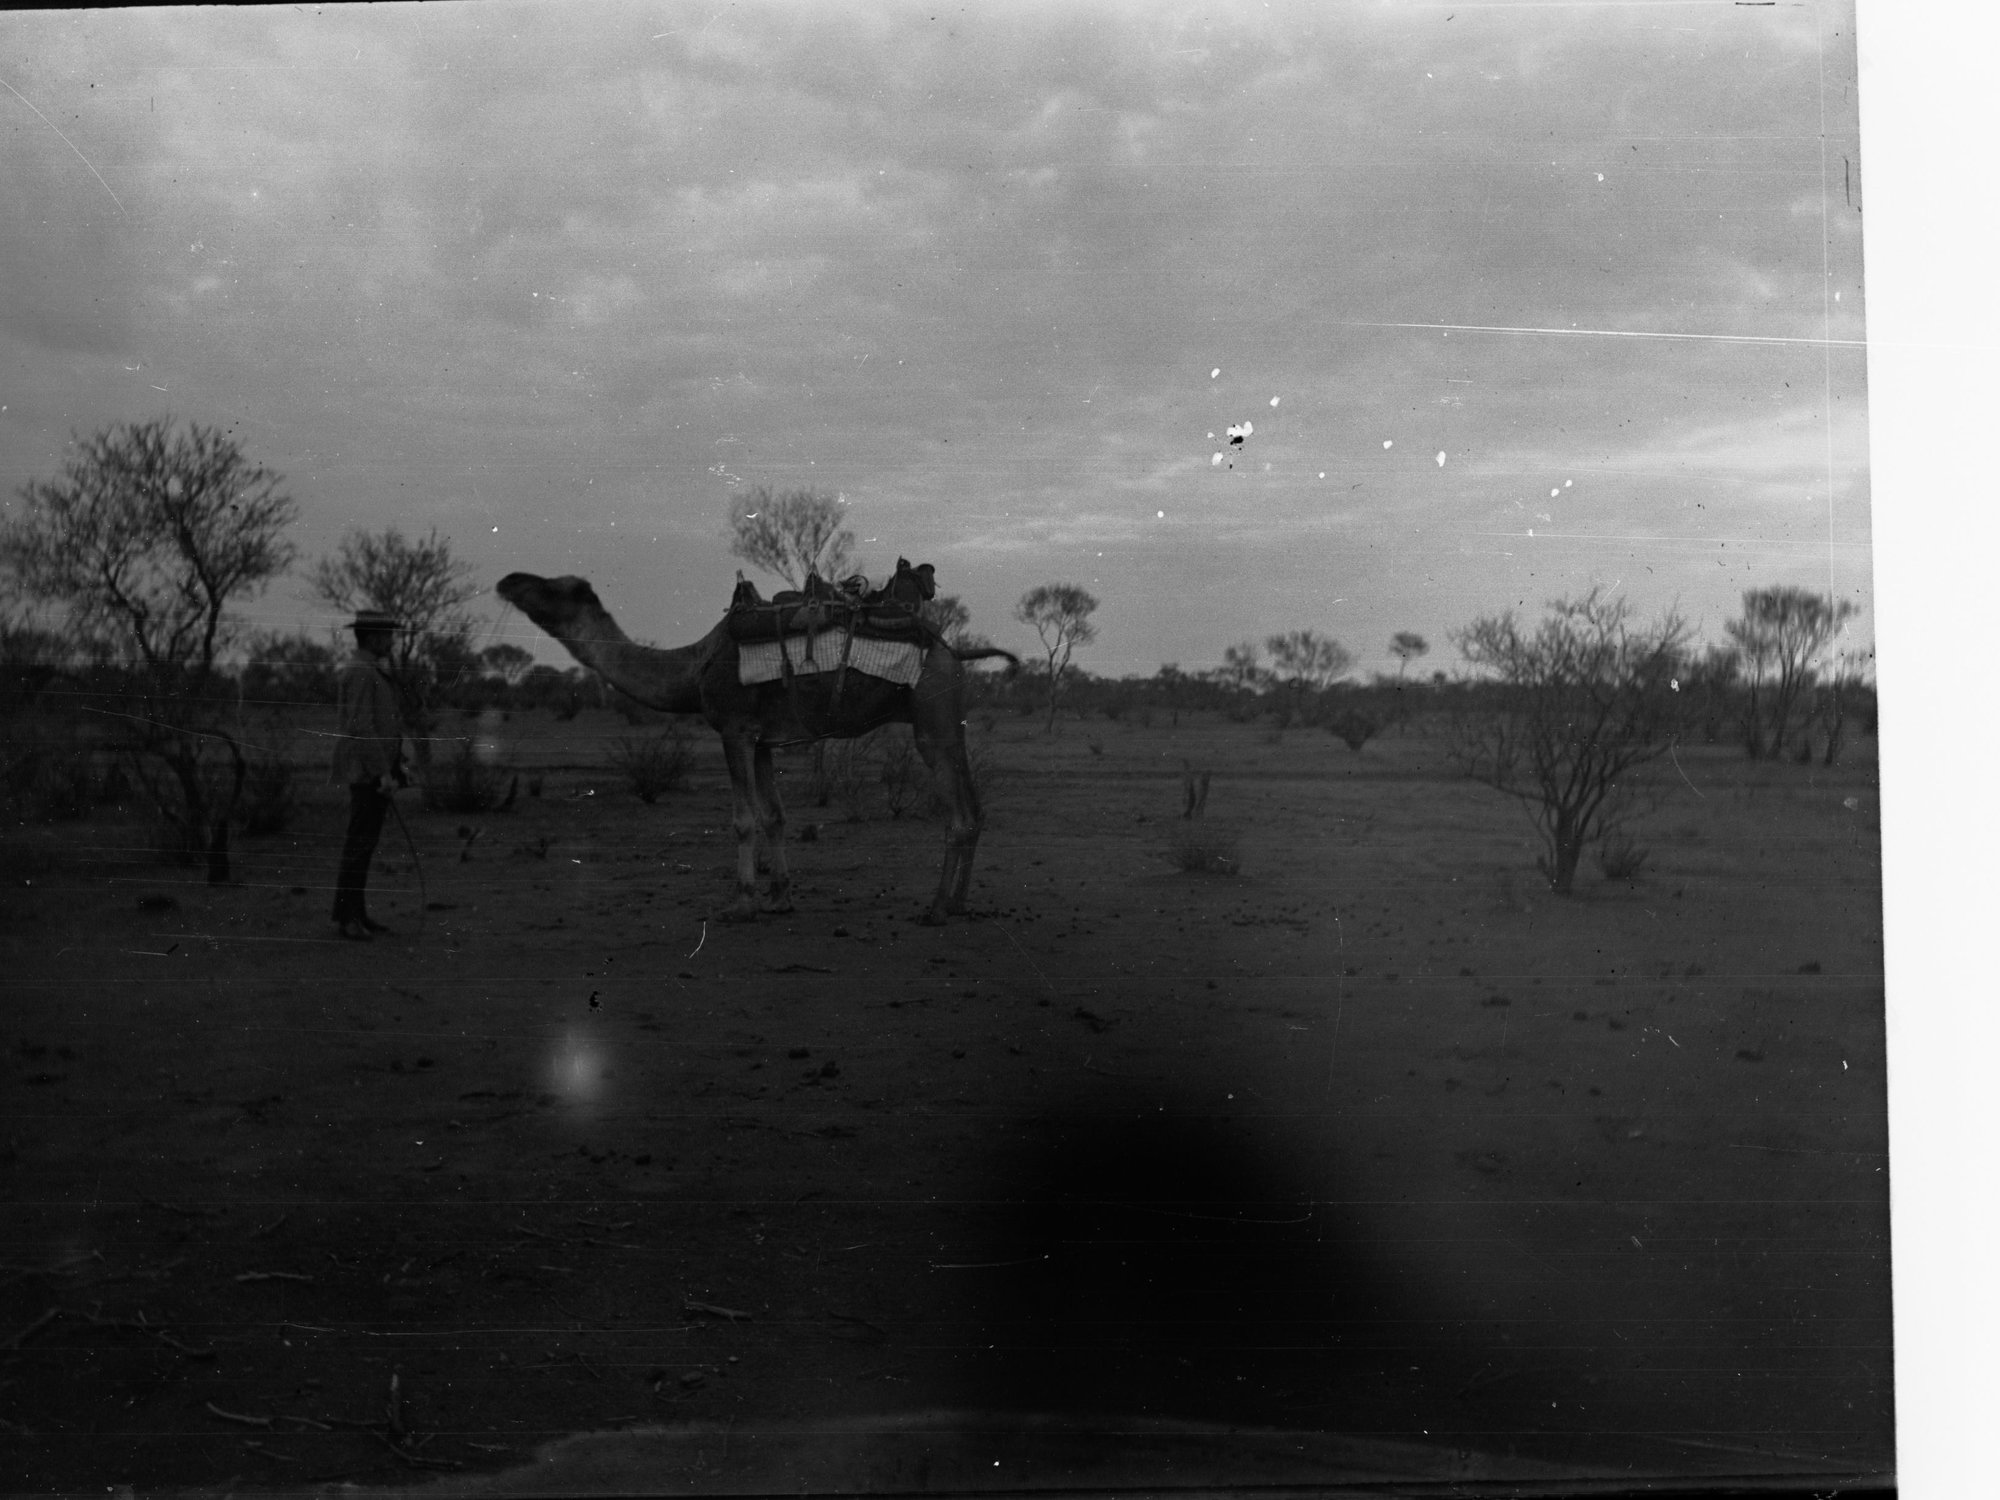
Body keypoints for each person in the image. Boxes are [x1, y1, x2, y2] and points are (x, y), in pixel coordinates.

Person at [329, 609, 409, 939]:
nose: (392, 641)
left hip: (373, 771)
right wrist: (381, 774)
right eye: (388, 635)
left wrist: (393, 766)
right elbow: (360, 727)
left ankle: (355, 914)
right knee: (359, 845)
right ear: (374, 637)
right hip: (367, 773)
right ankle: (348, 920)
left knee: (362, 844)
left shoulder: (370, 669)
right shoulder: (362, 671)